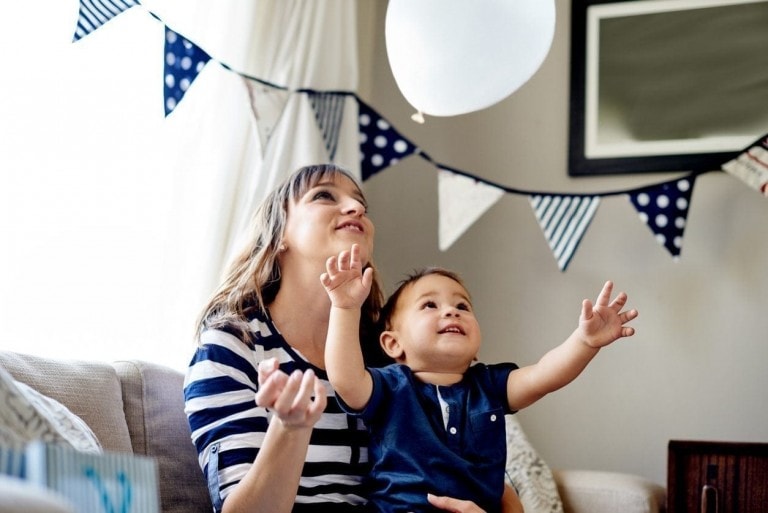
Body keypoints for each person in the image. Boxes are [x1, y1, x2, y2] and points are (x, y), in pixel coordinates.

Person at [184, 164, 507, 513]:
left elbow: (486, 482)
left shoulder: (386, 356)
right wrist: (291, 428)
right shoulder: (233, 346)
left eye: (361, 205)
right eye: (323, 195)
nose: (356, 210)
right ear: (278, 235)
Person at [321, 245, 639, 513]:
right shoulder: (391, 388)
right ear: (393, 344)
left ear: (476, 346)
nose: (452, 311)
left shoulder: (489, 386)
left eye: (462, 305)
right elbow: (346, 379)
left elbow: (544, 375)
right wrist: (345, 307)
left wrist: (583, 342)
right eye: (429, 305)